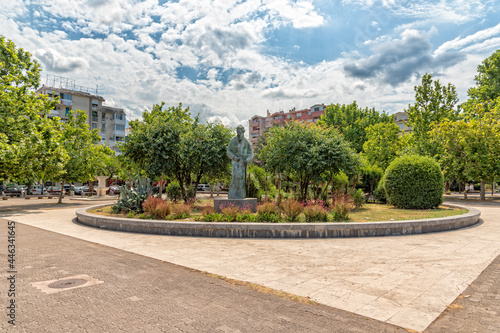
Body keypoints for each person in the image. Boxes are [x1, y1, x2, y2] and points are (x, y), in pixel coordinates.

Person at [226, 125, 254, 199]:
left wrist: (247, 159)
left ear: (243, 132)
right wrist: (234, 157)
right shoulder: (233, 141)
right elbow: (228, 151)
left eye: (240, 132)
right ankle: (233, 195)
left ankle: (241, 195)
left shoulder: (246, 142)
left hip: (243, 164)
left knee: (241, 180)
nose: (238, 134)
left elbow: (251, 153)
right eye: (237, 132)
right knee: (235, 179)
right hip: (235, 163)